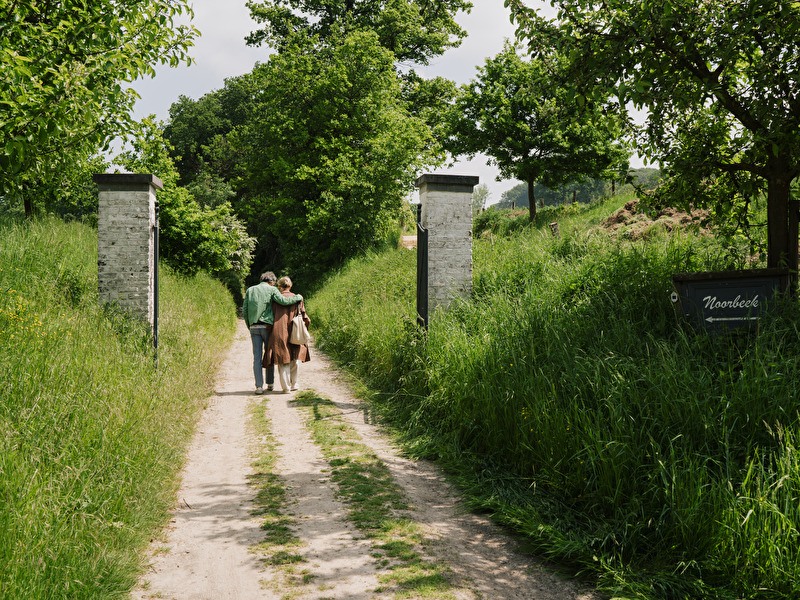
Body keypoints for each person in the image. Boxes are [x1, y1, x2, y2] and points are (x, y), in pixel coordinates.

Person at [242, 271, 303, 394]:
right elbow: (283, 301)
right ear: (272, 281)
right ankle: (270, 384)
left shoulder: (250, 290)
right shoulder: (272, 289)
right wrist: (298, 297)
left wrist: (250, 325)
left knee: (257, 357)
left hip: (254, 327)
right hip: (268, 327)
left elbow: (245, 310)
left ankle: (259, 387)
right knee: (269, 353)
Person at [264, 276, 311, 392]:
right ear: (290, 286)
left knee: (282, 358)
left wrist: (269, 331)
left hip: (278, 330)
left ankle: (286, 388)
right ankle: (294, 384)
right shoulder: (297, 298)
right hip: (294, 330)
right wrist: (306, 327)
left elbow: (270, 316)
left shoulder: (274, 299)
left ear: (279, 286)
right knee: (294, 357)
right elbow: (304, 316)